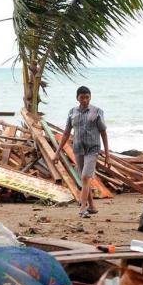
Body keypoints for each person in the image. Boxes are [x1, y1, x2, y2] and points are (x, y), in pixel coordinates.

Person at [52, 86, 109, 218]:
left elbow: (103, 133)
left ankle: (83, 207)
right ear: (77, 98)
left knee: (85, 177)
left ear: (90, 97)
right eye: (82, 97)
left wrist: (107, 155)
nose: (84, 100)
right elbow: (66, 133)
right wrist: (57, 152)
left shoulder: (97, 112)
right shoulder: (72, 112)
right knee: (85, 179)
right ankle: (92, 206)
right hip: (78, 149)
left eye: (87, 97)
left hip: (93, 149)